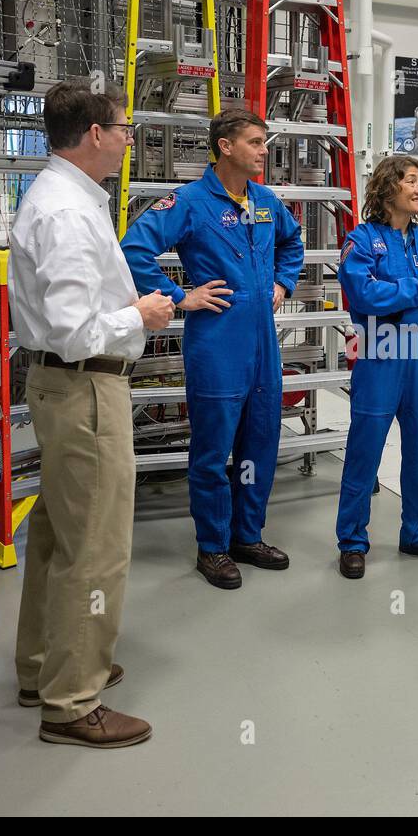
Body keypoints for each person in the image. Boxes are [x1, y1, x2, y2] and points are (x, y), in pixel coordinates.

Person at [9, 77, 175, 748]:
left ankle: (43, 666)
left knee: (57, 534)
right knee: (96, 548)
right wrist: (143, 312)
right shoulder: (69, 213)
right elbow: (77, 329)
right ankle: (73, 701)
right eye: (124, 127)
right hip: (85, 389)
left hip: (62, 387)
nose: (129, 136)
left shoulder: (67, 197)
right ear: (95, 135)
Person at [120, 109, 304, 590]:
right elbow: (134, 250)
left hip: (263, 341)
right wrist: (182, 297)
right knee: (212, 450)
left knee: (261, 441)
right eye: (256, 142)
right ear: (225, 146)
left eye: (265, 142)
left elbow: (293, 243)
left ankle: (248, 535)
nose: (265, 150)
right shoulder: (190, 201)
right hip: (218, 341)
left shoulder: (265, 201)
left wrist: (284, 282)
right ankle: (213, 547)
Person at [335, 155, 418, 579]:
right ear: (388, 188)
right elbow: (363, 297)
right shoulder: (361, 241)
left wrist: (400, 308)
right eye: (412, 180)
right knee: (364, 453)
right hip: (378, 360)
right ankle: (353, 541)